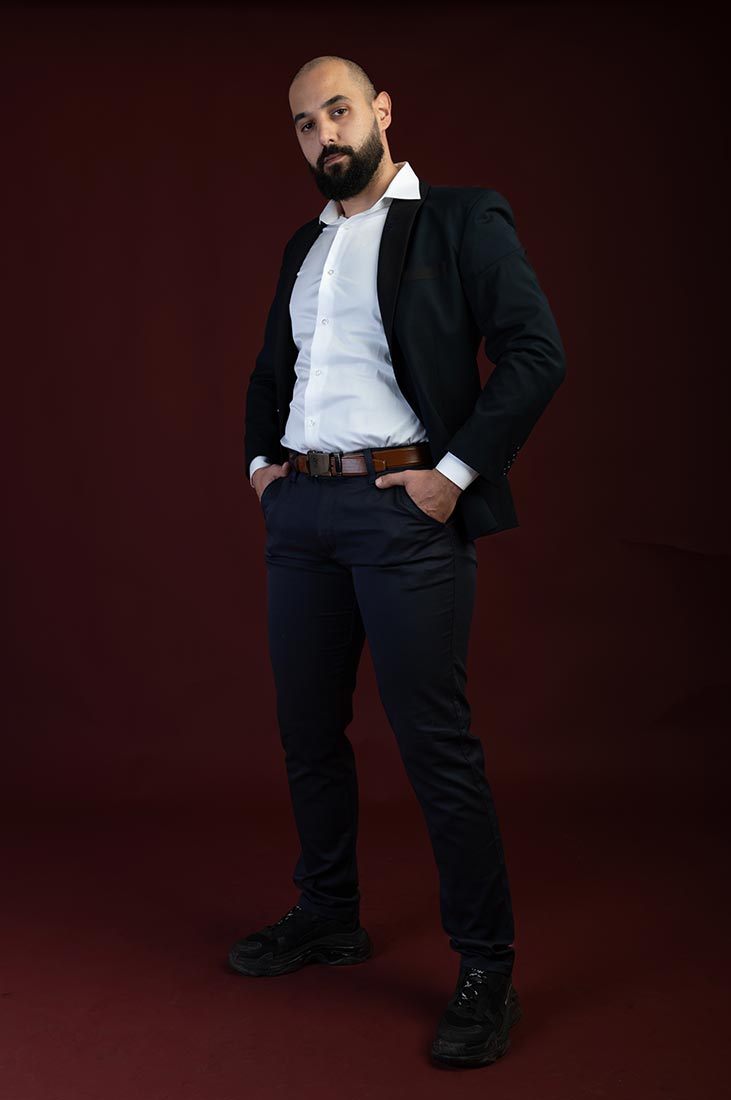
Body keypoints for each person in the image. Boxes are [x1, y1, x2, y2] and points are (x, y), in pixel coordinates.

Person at [229, 54, 566, 1070]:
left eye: (337, 110)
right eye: (304, 122)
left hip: (403, 511)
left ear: (379, 110)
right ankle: (328, 911)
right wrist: (262, 467)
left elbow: (534, 352)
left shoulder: (458, 218)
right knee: (306, 730)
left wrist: (452, 474)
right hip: (303, 515)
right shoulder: (303, 244)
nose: (323, 133)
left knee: (432, 743)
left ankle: (486, 967)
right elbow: (271, 371)